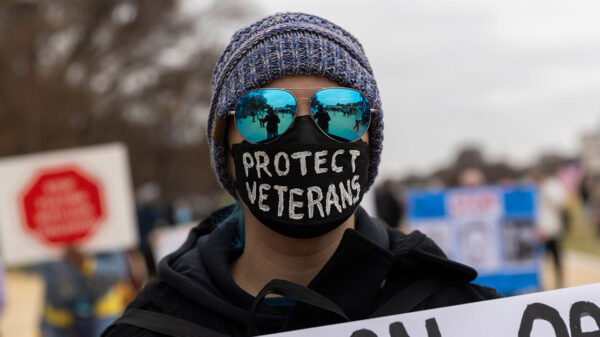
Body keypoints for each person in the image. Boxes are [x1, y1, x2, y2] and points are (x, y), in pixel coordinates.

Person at [104, 12, 500, 337]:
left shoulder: (459, 313)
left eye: (341, 110)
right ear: (225, 152)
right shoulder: (151, 327)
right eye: (266, 112)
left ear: (369, 144)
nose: (306, 138)